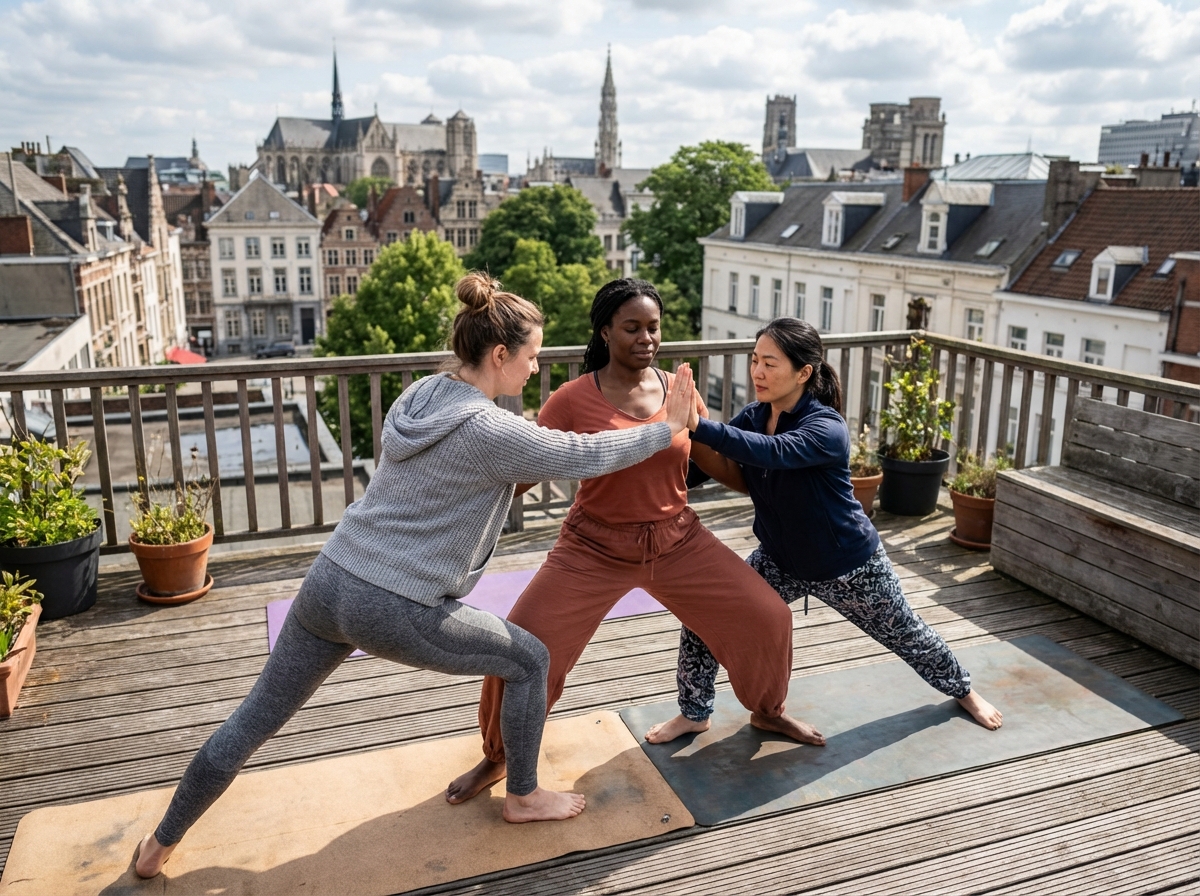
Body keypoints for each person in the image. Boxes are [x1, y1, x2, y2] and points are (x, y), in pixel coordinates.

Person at [133, 273, 700, 879]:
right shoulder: (491, 429)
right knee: (530, 660)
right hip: (393, 602)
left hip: (329, 579)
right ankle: (524, 796)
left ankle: (158, 846)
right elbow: (582, 455)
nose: (536, 368)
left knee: (253, 720)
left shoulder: (421, 396)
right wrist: (665, 427)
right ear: (500, 355)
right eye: (532, 356)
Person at [446, 280, 823, 805]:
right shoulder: (571, 399)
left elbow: (722, 466)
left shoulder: (678, 390)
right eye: (632, 327)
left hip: (676, 540)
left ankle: (767, 710)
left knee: (768, 616)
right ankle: (498, 754)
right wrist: (451, 497)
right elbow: (522, 472)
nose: (646, 338)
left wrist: (798, 487)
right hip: (593, 547)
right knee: (520, 646)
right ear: (605, 332)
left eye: (653, 327)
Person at [644, 317, 1003, 745]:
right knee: (706, 617)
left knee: (908, 634)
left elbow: (773, 453)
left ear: (804, 373)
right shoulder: (755, 416)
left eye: (770, 364)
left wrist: (698, 425)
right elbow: (705, 466)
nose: (758, 372)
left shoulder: (826, 427)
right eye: (754, 361)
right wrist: (648, 484)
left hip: (847, 564)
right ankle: (694, 712)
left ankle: (964, 691)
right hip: (780, 560)